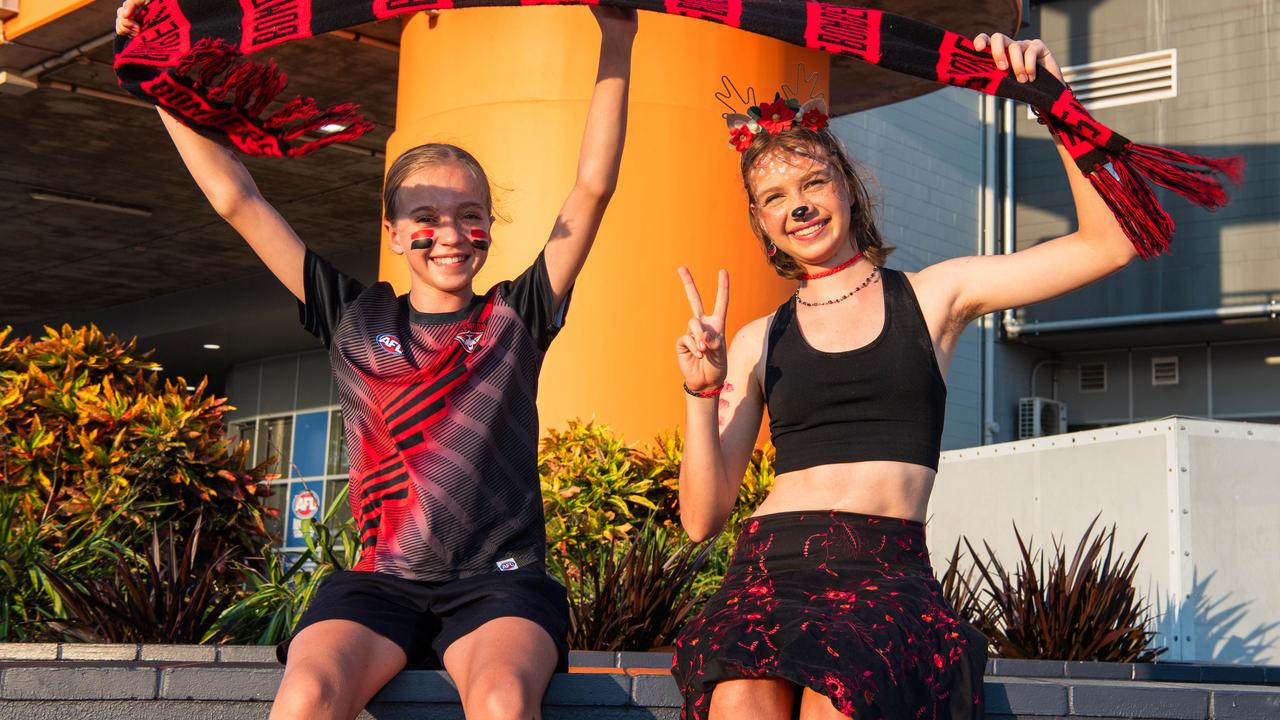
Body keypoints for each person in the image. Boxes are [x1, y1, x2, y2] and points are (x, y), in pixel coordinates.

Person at [116, 2, 636, 718]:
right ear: (393, 233)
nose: (448, 234)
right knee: (304, 695)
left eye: (469, 214)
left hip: (501, 583)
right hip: (381, 582)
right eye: (425, 216)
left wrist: (618, 35)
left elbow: (593, 186)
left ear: (488, 224)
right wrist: (155, 75)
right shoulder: (353, 317)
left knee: (503, 701)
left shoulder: (517, 316)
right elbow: (236, 197)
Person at [671, 33, 1130, 719]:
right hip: (769, 566)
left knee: (841, 697)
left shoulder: (933, 295)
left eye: (812, 183)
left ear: (847, 191)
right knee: (738, 700)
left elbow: (1110, 243)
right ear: (763, 226)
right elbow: (702, 519)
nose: (796, 204)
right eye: (774, 198)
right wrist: (699, 395)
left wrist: (1053, 103)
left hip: (884, 575)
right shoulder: (757, 339)